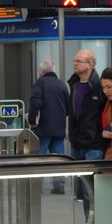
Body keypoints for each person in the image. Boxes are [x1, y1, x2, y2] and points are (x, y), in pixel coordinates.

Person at [68, 49, 105, 205]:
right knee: (82, 192)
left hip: (93, 144)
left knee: (92, 191)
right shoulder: (74, 84)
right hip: (77, 142)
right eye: (74, 61)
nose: (74, 63)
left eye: (78, 61)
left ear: (89, 64)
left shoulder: (99, 85)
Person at [29, 59, 70, 193]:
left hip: (43, 127)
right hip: (59, 127)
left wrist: (32, 121)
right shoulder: (61, 85)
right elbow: (68, 107)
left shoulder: (39, 83)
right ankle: (59, 185)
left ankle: (37, 184)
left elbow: (35, 104)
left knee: (39, 156)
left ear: (42, 71)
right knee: (58, 156)